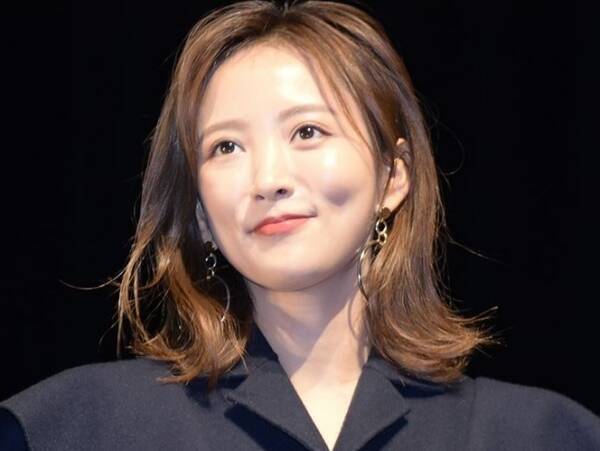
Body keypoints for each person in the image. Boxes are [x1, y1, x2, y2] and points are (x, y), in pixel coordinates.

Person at [1, 1, 598, 450]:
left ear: (393, 177)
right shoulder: (72, 426)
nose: (268, 179)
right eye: (226, 146)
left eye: (307, 132)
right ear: (201, 213)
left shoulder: (543, 434)